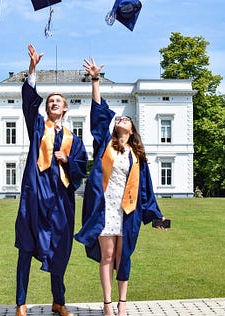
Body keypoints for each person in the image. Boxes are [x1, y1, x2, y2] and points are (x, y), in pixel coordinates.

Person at [74, 58, 166, 316]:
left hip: (129, 210)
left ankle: (122, 303)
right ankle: (106, 303)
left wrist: (156, 215)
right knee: (107, 256)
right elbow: (97, 113)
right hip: (105, 209)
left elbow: (145, 188)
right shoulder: (105, 143)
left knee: (123, 257)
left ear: (132, 128)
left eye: (127, 118)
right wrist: (95, 80)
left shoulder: (137, 155)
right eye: (120, 118)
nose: (122, 118)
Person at [14, 44, 88, 316]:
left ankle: (59, 302)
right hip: (34, 196)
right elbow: (28, 102)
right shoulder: (38, 127)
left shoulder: (73, 140)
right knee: (25, 247)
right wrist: (32, 68)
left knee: (59, 251)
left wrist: (67, 160)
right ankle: (21, 302)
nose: (53, 103)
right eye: (50, 101)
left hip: (60, 201)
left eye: (58, 101)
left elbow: (82, 167)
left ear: (66, 108)